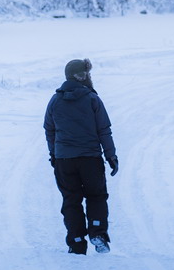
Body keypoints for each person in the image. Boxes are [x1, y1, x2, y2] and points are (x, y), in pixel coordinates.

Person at [43, 58, 118, 255]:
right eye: (87, 73)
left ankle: (76, 241)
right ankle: (97, 233)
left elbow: (49, 130)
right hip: (90, 159)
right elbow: (104, 130)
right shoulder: (92, 99)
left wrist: (54, 154)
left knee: (71, 199)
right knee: (96, 196)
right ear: (81, 76)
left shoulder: (55, 100)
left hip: (64, 161)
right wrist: (111, 156)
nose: (89, 76)